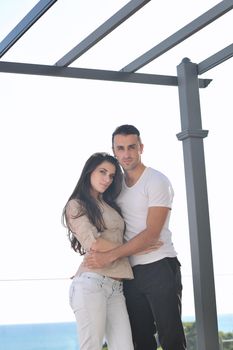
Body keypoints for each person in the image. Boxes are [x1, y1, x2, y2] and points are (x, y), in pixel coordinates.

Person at [85, 125, 187, 350]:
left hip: (160, 266)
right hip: (130, 272)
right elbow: (99, 223)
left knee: (171, 339)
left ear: (141, 147)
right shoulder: (115, 186)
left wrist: (110, 255)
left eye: (132, 147)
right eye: (120, 148)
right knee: (141, 340)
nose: (126, 154)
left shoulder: (157, 181)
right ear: (114, 151)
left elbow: (152, 234)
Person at [62, 152, 135, 350]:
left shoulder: (109, 205)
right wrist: (135, 247)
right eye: (102, 172)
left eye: (111, 175)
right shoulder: (76, 205)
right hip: (92, 284)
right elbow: (94, 243)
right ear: (89, 172)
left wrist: (129, 248)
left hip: (116, 287)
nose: (107, 179)